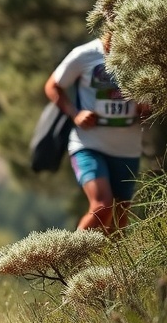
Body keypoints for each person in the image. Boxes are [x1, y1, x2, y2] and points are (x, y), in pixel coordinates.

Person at [44, 29, 147, 234]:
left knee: (118, 223)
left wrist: (147, 108)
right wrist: (75, 114)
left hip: (127, 150)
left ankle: (113, 267)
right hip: (88, 144)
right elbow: (53, 86)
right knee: (102, 206)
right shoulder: (85, 54)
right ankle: (71, 262)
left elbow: (151, 103)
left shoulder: (144, 56)